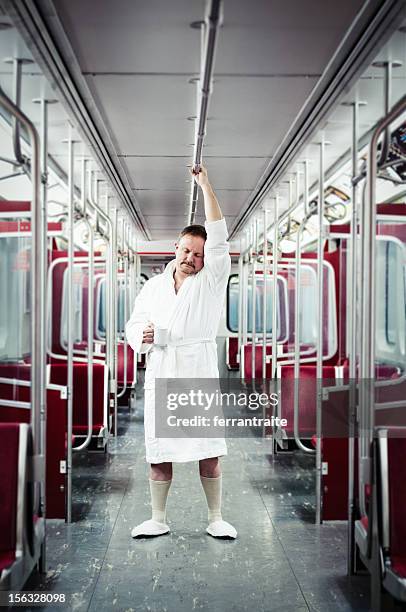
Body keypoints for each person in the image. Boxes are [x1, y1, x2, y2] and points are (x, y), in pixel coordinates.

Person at [125, 165, 237, 539]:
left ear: (208, 260)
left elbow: (218, 236)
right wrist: (145, 334)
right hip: (162, 370)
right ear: (175, 247)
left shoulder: (211, 281)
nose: (191, 257)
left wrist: (206, 185)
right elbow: (134, 324)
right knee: (159, 453)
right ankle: (157, 518)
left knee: (208, 451)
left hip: (196, 370)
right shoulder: (154, 287)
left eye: (199, 254)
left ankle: (215, 517)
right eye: (186, 249)